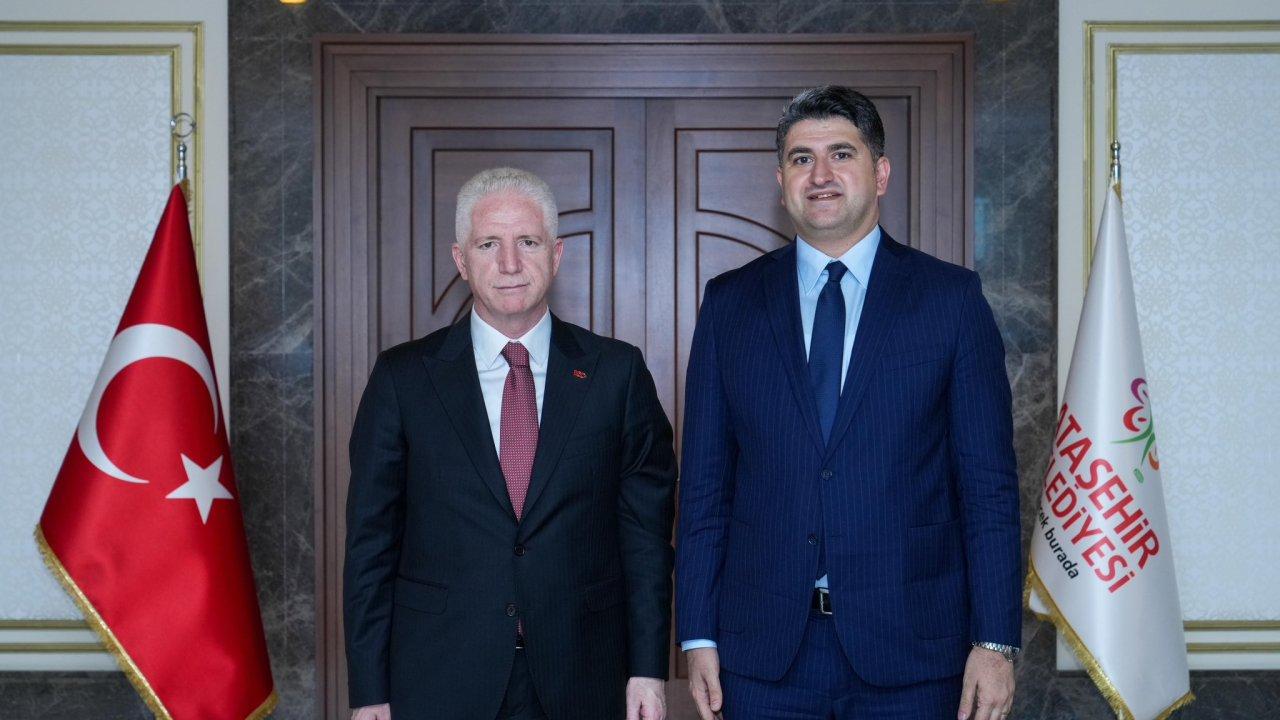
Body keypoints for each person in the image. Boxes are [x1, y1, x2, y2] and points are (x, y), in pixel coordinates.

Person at [675, 86, 1021, 720]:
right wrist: (697, 634)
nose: (821, 175)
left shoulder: (950, 301)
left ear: (880, 173)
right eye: (801, 159)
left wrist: (995, 641)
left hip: (915, 655)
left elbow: (989, 489)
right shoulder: (730, 305)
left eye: (841, 154)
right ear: (781, 182)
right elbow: (704, 487)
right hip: (763, 660)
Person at [345, 167, 676, 720]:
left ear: (556, 253)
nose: (509, 264)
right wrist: (369, 692)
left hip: (584, 676)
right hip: (439, 677)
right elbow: (370, 545)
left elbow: (646, 539)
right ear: (461, 260)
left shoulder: (616, 373)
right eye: (488, 244)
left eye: (527, 242)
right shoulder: (403, 379)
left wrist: (648, 670)